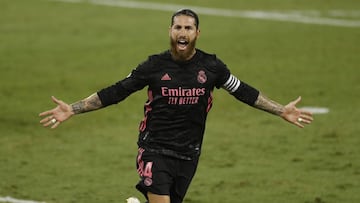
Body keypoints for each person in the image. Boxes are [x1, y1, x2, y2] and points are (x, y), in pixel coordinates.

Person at [39, 9, 313, 203]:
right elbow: (116, 92)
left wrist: (281, 110)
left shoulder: (212, 67)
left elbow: (243, 91)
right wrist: (73, 109)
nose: (183, 32)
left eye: (188, 28)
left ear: (197, 33)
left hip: (189, 154)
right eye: (178, 27)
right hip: (154, 150)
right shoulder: (153, 67)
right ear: (170, 31)